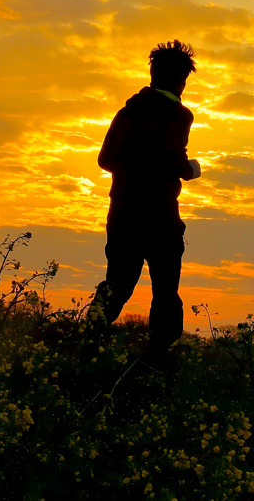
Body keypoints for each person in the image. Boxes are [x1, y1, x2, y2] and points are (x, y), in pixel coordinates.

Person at [90, 40, 203, 352]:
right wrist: (191, 169)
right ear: (182, 80)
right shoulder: (179, 115)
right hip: (160, 214)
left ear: (153, 74)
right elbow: (172, 156)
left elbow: (104, 160)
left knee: (118, 284)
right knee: (166, 289)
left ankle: (85, 340)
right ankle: (160, 358)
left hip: (122, 213)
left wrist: (135, 163)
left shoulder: (126, 113)